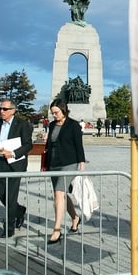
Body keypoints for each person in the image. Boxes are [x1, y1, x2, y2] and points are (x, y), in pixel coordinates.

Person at [45, 99, 86, 245]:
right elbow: (50, 144)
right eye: (52, 113)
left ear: (64, 110)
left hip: (69, 162)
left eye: (56, 112)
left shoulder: (73, 125)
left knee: (58, 193)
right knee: (61, 194)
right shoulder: (51, 125)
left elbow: (78, 145)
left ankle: (56, 230)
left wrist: (81, 164)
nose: (54, 115)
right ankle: (75, 218)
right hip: (54, 163)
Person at [0, 99, 31, 238]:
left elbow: (28, 145)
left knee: (11, 196)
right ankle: (19, 211)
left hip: (15, 164)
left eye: (5, 109)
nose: (1, 111)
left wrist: (13, 153)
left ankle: (9, 226)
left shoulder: (22, 124)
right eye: (0, 109)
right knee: (2, 194)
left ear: (13, 110)